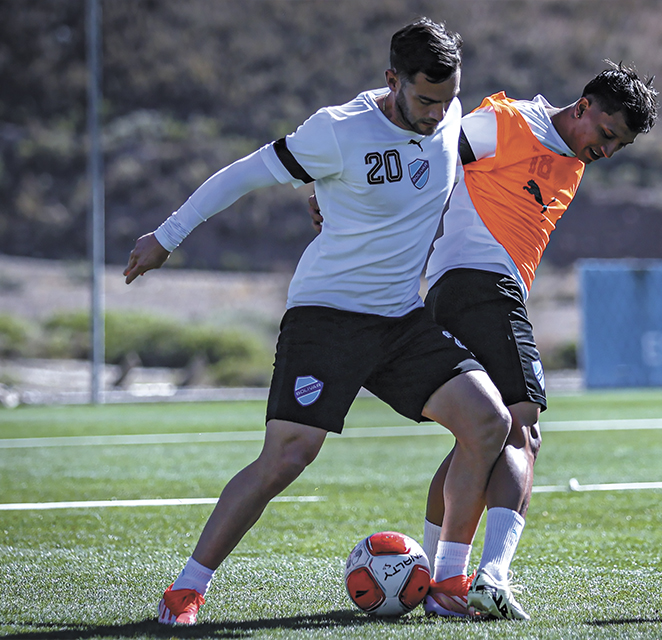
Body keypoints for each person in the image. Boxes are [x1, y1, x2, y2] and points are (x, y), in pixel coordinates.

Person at [124, 18, 511, 626]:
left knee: (489, 421)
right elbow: (243, 174)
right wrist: (167, 237)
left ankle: (448, 583)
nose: (438, 113)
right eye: (425, 99)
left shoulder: (452, 111)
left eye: (446, 99)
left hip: (401, 320)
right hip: (327, 317)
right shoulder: (337, 131)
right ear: (393, 80)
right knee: (288, 455)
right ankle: (186, 590)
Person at [310, 61, 658, 620]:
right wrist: (342, 202)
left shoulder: (569, 157)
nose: (608, 151)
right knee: (524, 429)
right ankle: (486, 578)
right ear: (585, 106)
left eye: (620, 147)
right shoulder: (511, 122)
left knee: (482, 438)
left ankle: (431, 580)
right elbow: (430, 156)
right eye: (608, 135)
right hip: (481, 285)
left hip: (472, 288)